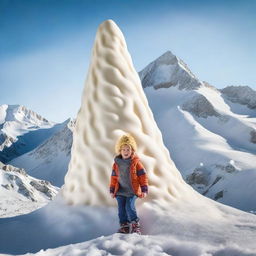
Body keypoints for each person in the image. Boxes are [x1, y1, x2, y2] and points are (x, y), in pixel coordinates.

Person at [109, 134, 148, 234]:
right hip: (120, 191)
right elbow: (113, 177)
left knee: (129, 207)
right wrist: (112, 189)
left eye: (128, 149)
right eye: (124, 150)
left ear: (132, 151)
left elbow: (143, 175)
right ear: (120, 151)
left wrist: (144, 189)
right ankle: (124, 226)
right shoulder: (116, 163)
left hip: (132, 191)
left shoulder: (135, 163)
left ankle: (135, 225)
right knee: (121, 209)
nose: (126, 152)